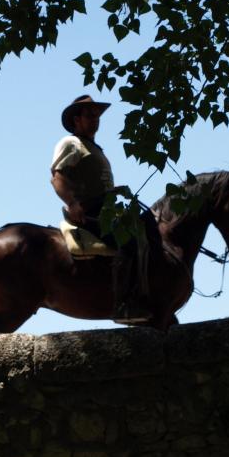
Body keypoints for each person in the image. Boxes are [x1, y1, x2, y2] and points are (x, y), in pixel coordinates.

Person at [51, 95, 153, 324]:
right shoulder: (71, 143)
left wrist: (114, 191)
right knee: (129, 241)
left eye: (97, 116)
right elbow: (57, 176)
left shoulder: (94, 148)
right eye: (90, 115)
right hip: (90, 212)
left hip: (106, 208)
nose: (95, 120)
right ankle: (124, 304)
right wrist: (72, 203)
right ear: (76, 120)